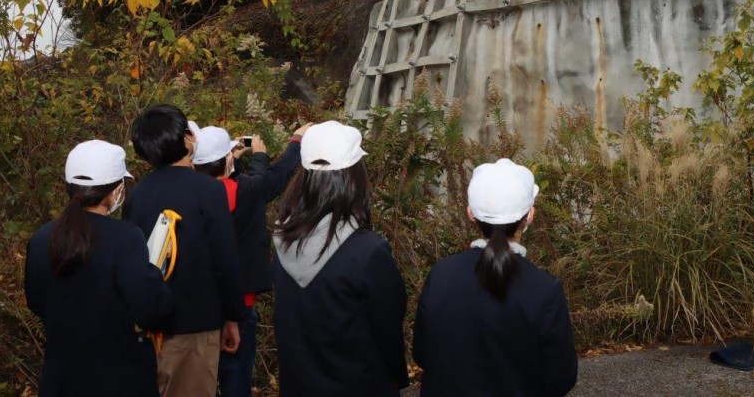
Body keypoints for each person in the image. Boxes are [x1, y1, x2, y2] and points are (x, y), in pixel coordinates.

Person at [413, 159, 578, 397]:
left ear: (471, 214)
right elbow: (561, 378)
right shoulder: (544, 289)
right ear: (530, 216)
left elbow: (422, 353)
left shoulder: (441, 274)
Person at [25, 140, 173, 397]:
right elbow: (153, 309)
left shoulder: (41, 238)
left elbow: (36, 301)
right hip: (120, 378)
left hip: (61, 378)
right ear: (116, 191)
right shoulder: (126, 237)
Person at [272, 120, 409, 397]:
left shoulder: (283, 239)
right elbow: (388, 331)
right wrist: (397, 376)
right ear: (353, 175)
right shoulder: (368, 252)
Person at [123, 104, 244, 397]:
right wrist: (232, 316)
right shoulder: (209, 190)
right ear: (187, 138)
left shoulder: (136, 196)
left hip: (150, 327)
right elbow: (223, 260)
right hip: (197, 322)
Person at [192, 123, 311, 397]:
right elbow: (276, 175)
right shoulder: (247, 190)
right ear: (228, 159)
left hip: (200, 304)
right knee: (236, 379)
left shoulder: (191, 195)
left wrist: (234, 158)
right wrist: (289, 143)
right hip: (241, 303)